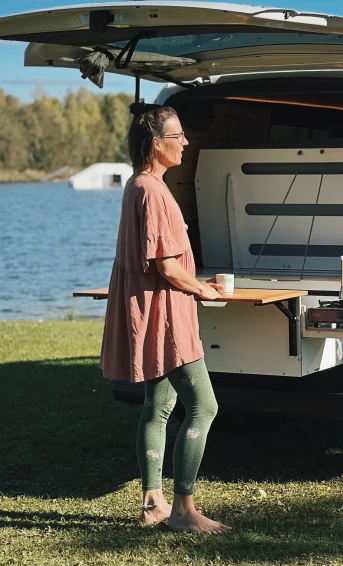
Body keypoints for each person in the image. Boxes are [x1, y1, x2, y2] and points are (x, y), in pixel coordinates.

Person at [100, 102, 229, 534]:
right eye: (178, 137)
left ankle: (152, 500)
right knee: (203, 407)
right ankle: (183, 510)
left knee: (158, 406)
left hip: (151, 310)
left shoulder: (138, 185)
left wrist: (193, 281)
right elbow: (166, 266)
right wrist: (203, 289)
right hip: (165, 316)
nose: (186, 142)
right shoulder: (153, 191)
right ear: (156, 144)